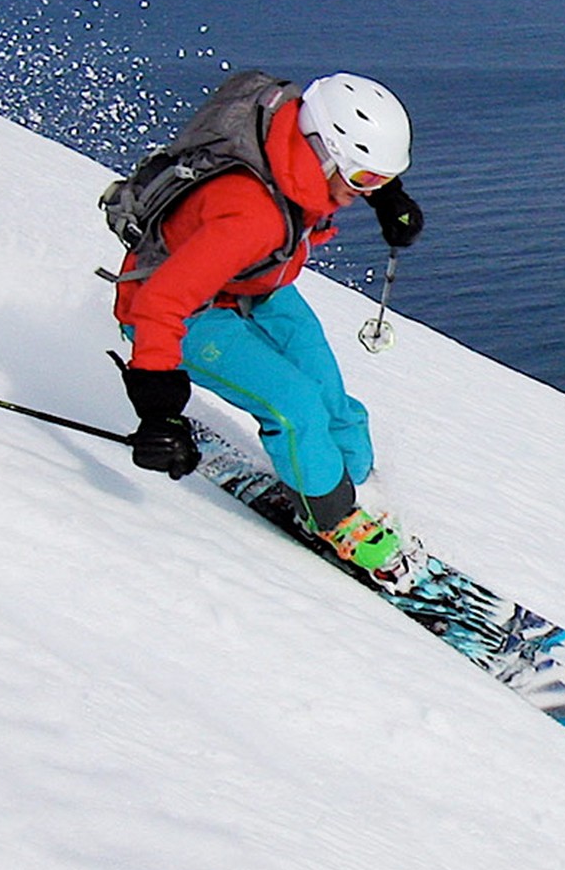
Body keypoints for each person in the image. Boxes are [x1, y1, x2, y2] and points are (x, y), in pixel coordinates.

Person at [114, 72, 426, 575]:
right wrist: (158, 411)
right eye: (364, 180)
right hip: (185, 311)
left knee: (333, 402)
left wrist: (386, 198)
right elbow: (160, 303)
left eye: (377, 179)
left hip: (255, 284)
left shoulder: (298, 143)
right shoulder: (251, 214)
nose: (365, 191)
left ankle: (351, 481)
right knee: (295, 407)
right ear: (324, 152)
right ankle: (331, 516)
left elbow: (342, 164)